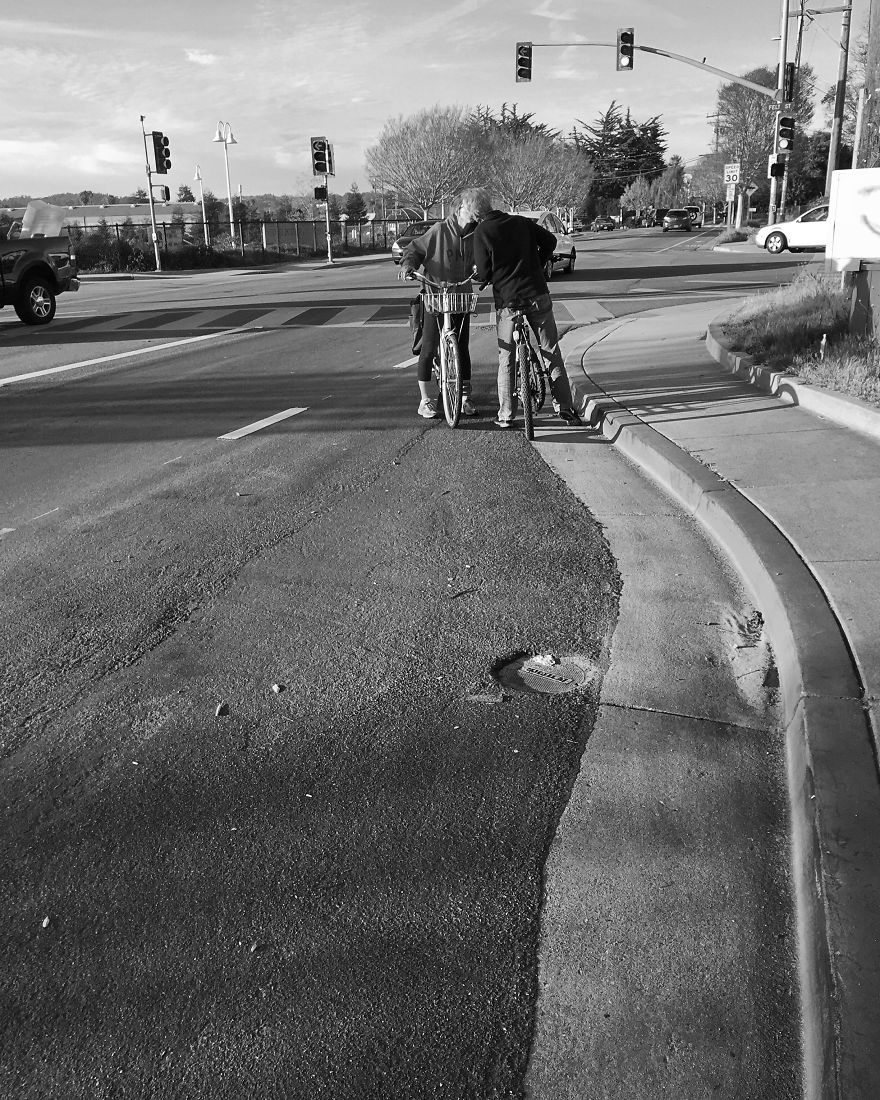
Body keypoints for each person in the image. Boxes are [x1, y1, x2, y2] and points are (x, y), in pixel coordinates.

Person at [464, 187, 581, 429]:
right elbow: (550, 241)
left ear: (474, 213)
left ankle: (507, 414)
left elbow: (483, 271)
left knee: (507, 357)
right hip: (536, 292)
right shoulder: (520, 222)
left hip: (508, 301)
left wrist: (490, 276)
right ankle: (565, 407)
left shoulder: (482, 231)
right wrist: (538, 262)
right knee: (550, 350)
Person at [400, 196, 479, 419]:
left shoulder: (476, 235)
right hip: (435, 297)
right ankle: (425, 400)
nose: (474, 214)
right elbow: (414, 249)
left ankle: (464, 397)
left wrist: (484, 271)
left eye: (477, 210)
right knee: (428, 347)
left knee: (462, 348)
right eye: (471, 208)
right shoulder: (439, 230)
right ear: (460, 208)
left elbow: (483, 260)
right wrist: (408, 266)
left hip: (461, 298)